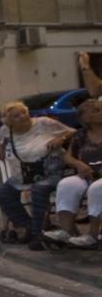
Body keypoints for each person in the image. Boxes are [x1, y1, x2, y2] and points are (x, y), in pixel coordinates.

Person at [0, 102, 74, 250]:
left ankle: (37, 235)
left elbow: (73, 132)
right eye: (16, 116)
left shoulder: (44, 123)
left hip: (50, 172)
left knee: (38, 189)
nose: (23, 116)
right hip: (23, 175)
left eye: (24, 112)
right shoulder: (6, 130)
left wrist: (61, 139)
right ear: (9, 122)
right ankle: (28, 226)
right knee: (3, 193)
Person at [43, 98, 102, 248]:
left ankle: (93, 235)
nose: (101, 112)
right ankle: (66, 231)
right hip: (87, 174)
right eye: (96, 111)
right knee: (66, 184)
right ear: (84, 118)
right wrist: (79, 164)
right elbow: (68, 156)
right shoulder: (80, 135)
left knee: (97, 188)